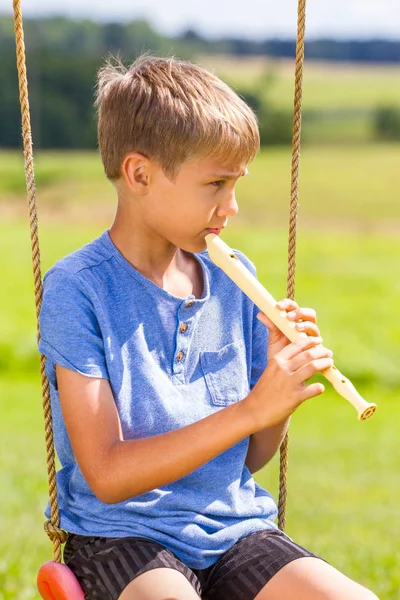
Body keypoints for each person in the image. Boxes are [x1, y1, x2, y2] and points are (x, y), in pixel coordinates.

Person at [39, 55, 378, 600]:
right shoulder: (78, 289)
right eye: (216, 184)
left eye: (236, 184)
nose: (232, 206)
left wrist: (276, 391)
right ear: (140, 175)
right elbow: (104, 472)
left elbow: (249, 456)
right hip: (122, 533)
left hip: (231, 527)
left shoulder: (232, 277)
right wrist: (248, 410)